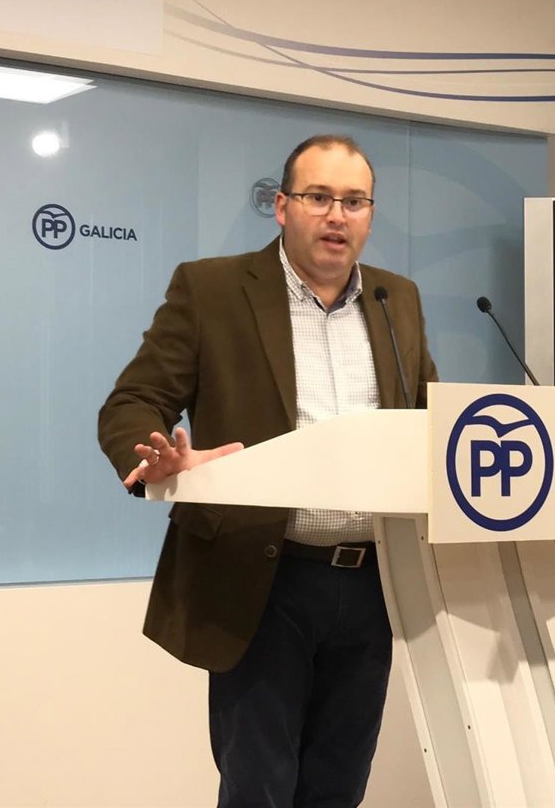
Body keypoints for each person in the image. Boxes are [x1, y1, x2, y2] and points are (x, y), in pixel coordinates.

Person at [97, 134, 437, 807]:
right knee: (259, 787)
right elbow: (134, 401)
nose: (336, 215)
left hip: (371, 583)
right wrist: (158, 459)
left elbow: (427, 415)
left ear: (370, 215)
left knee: (339, 785)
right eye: (318, 197)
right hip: (263, 578)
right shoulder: (213, 289)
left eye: (354, 201)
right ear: (282, 207)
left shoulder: (395, 298)